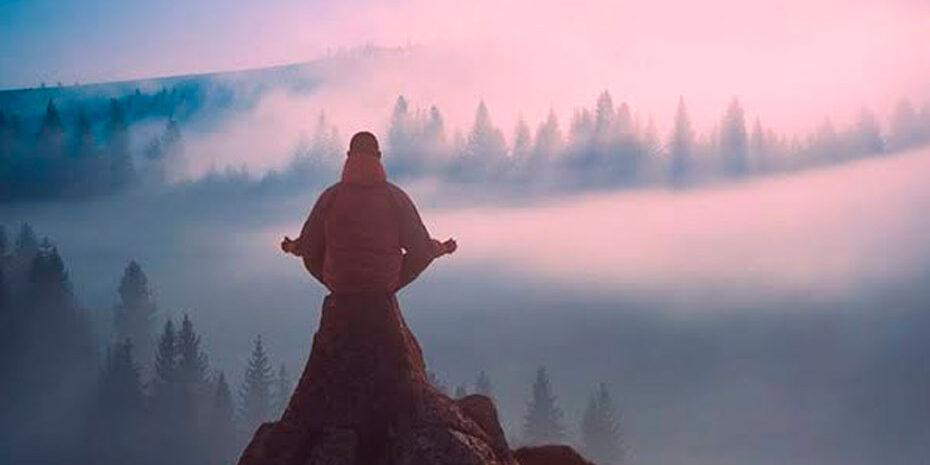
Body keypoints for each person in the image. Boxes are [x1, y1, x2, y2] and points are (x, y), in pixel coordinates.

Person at [280, 131, 456, 293]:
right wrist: (442, 248)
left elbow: (310, 244)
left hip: (339, 282)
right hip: (383, 283)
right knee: (421, 253)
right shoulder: (396, 197)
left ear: (348, 156)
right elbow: (421, 248)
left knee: (312, 252)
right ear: (379, 157)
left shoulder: (331, 196)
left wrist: (294, 247)